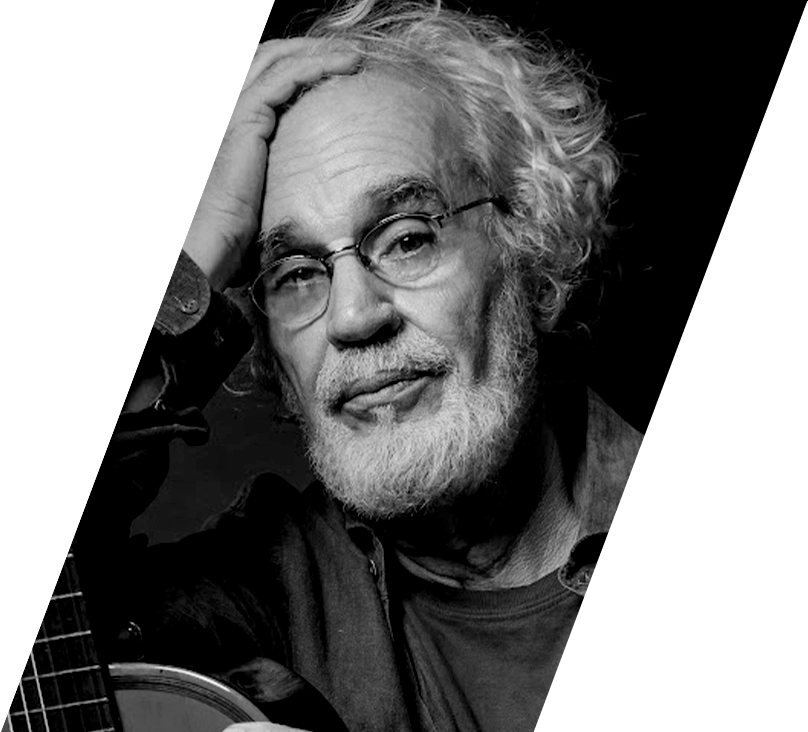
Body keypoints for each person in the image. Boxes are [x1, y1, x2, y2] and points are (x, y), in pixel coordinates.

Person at [80, 0, 645, 729]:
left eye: (407, 239)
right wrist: (189, 267)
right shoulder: (255, 596)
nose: (352, 317)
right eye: (296, 274)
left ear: (531, 252)